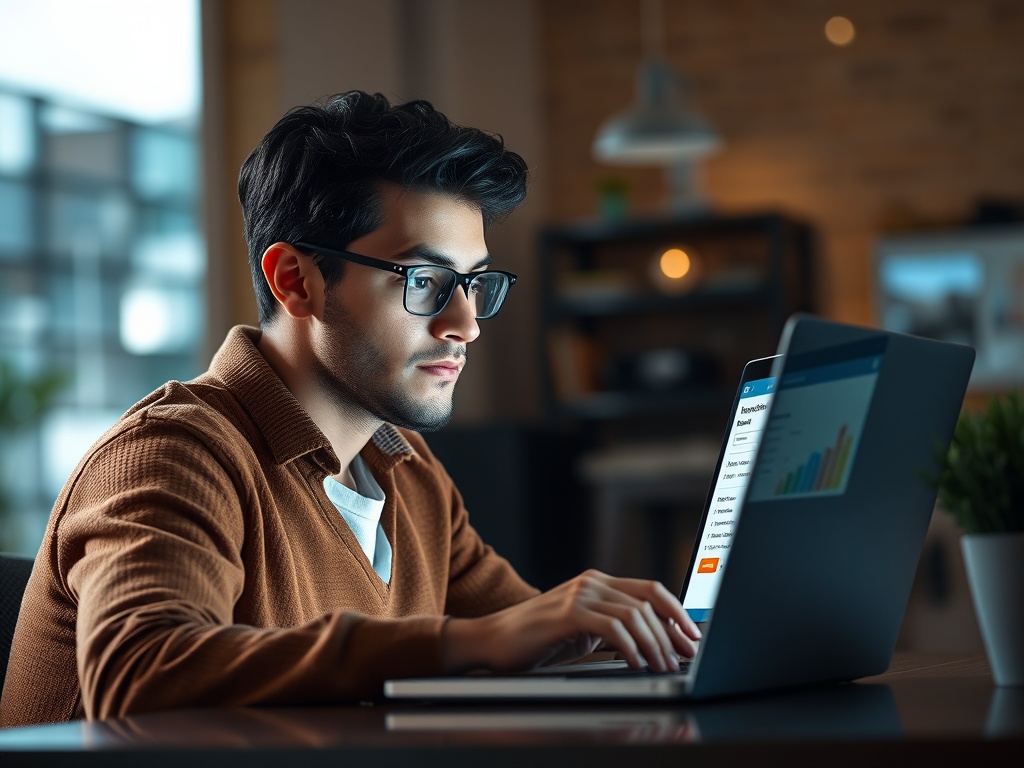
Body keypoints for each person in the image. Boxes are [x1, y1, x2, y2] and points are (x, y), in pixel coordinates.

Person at [0, 91, 700, 726]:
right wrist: (476, 641)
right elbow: (141, 676)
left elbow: (536, 636)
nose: (466, 323)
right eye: (426, 280)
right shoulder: (171, 453)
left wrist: (658, 639)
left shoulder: (405, 470)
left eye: (476, 284)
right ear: (295, 280)